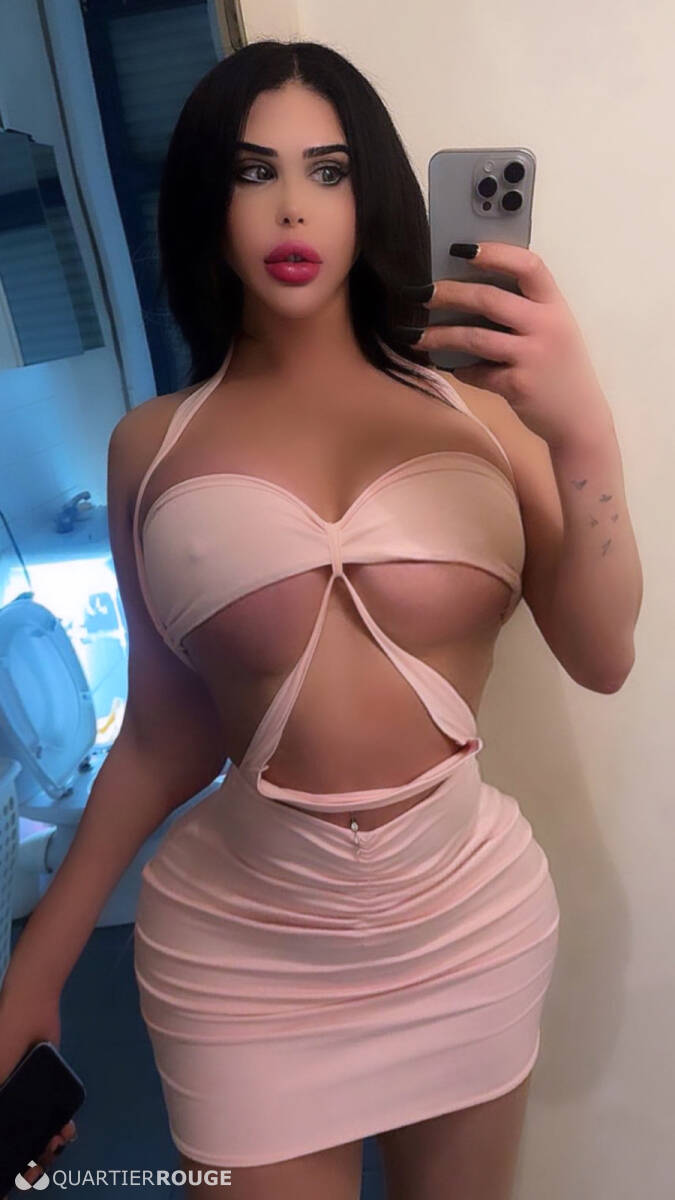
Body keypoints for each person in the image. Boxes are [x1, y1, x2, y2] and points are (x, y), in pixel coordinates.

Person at [1, 40, 566, 1199]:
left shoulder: (480, 418)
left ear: (373, 198)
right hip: (245, 962)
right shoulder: (150, 445)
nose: (293, 206)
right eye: (254, 172)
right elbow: (164, 733)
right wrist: (39, 962)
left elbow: (604, 645)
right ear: (207, 204)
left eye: (330, 170)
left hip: (469, 929)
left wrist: (581, 427)